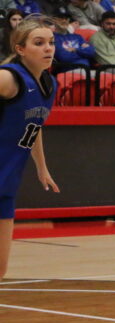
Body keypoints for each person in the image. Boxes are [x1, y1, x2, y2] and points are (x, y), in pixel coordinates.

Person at [0, 15, 60, 282]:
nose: (48, 48)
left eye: (51, 42)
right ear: (20, 49)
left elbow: (33, 127)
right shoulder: (7, 77)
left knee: (0, 269)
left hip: (6, 181)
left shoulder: (49, 85)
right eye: (39, 43)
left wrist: (41, 167)